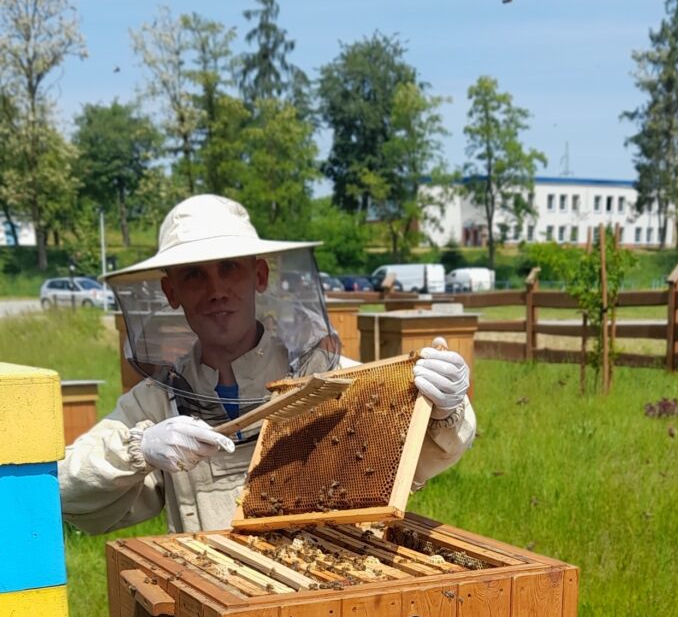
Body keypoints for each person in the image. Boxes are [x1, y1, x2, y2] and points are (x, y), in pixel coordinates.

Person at [59, 195, 476, 535]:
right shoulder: (154, 405)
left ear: (258, 276)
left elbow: (419, 451)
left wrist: (445, 407)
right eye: (194, 275)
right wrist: (140, 450)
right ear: (171, 291)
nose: (216, 290)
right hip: (212, 604)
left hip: (325, 595)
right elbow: (64, 488)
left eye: (229, 268)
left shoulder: (326, 379)